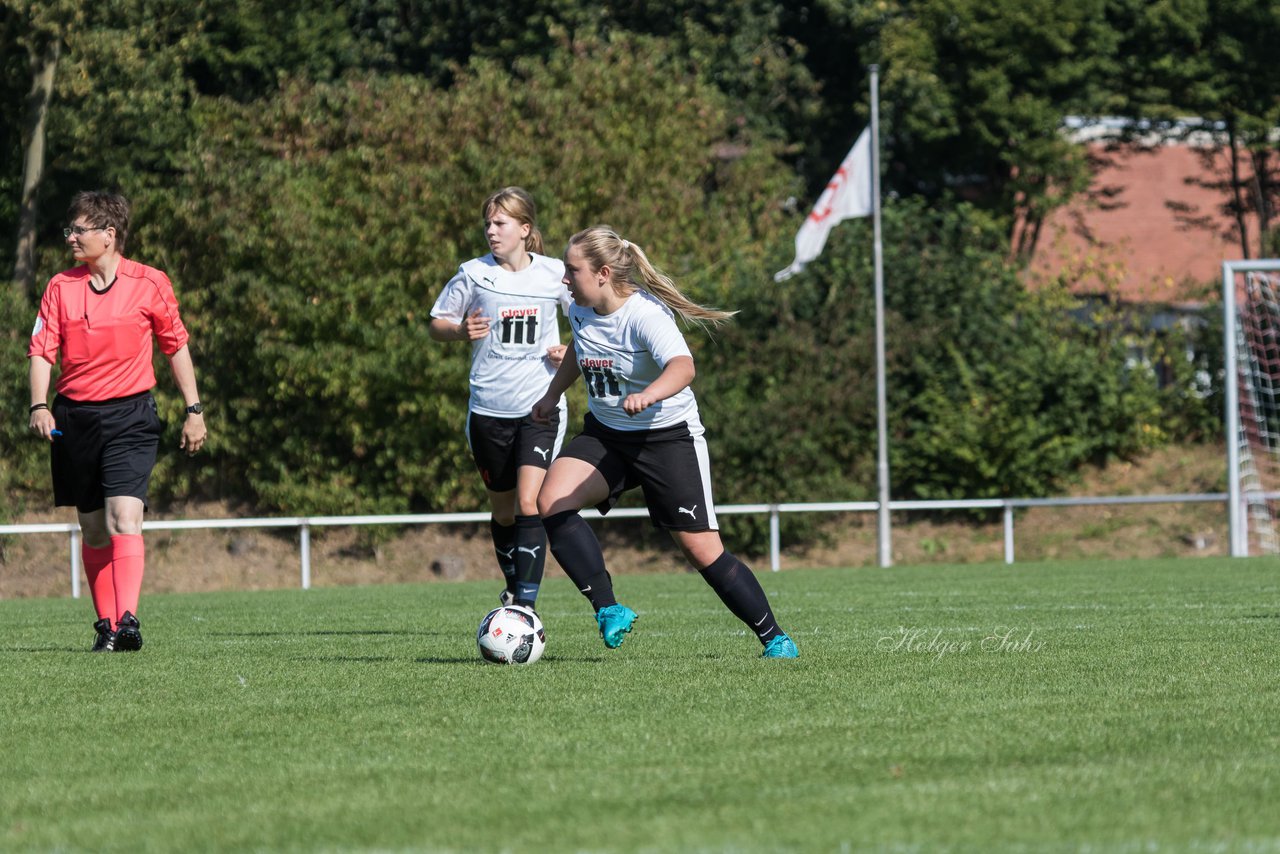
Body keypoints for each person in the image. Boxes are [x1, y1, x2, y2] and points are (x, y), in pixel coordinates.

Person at [532, 226, 799, 658]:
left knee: (700, 550)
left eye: (571, 269)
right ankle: (609, 608)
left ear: (602, 273)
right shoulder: (579, 308)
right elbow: (582, 354)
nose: (565, 278)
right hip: (607, 434)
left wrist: (649, 393)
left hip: (667, 438)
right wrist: (550, 395)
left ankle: (775, 638)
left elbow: (682, 367)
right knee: (552, 502)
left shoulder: (646, 315)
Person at [27, 190, 207, 653]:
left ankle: (128, 621)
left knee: (124, 516)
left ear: (109, 235)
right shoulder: (59, 287)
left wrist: (193, 410)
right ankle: (105, 625)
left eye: (79, 230)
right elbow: (41, 352)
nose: (71, 238)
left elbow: (176, 346)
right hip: (75, 417)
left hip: (131, 415)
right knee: (92, 528)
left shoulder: (150, 283)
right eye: (69, 230)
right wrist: (39, 405)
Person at [428, 187, 570, 610]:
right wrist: (458, 331)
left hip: (539, 406)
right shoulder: (473, 274)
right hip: (489, 410)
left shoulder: (554, 273)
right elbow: (437, 323)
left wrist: (574, 348)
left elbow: (588, 313)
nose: (491, 231)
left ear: (524, 229)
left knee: (531, 503)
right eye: (488, 223)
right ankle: (513, 585)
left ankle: (524, 607)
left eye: (500, 223)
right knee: (506, 511)